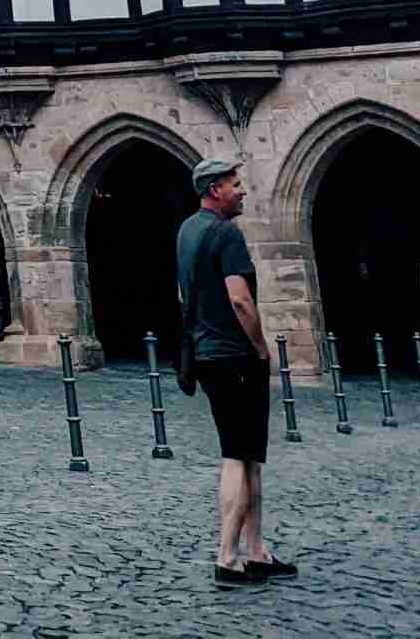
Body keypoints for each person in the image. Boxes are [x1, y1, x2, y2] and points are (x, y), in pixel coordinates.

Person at [175, 157, 296, 589]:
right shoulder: (226, 234)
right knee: (236, 455)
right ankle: (228, 557)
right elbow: (240, 300)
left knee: (250, 456)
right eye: (234, 184)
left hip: (207, 353)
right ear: (214, 190)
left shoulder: (188, 230)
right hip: (234, 357)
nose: (242, 190)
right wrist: (261, 348)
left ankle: (256, 551)